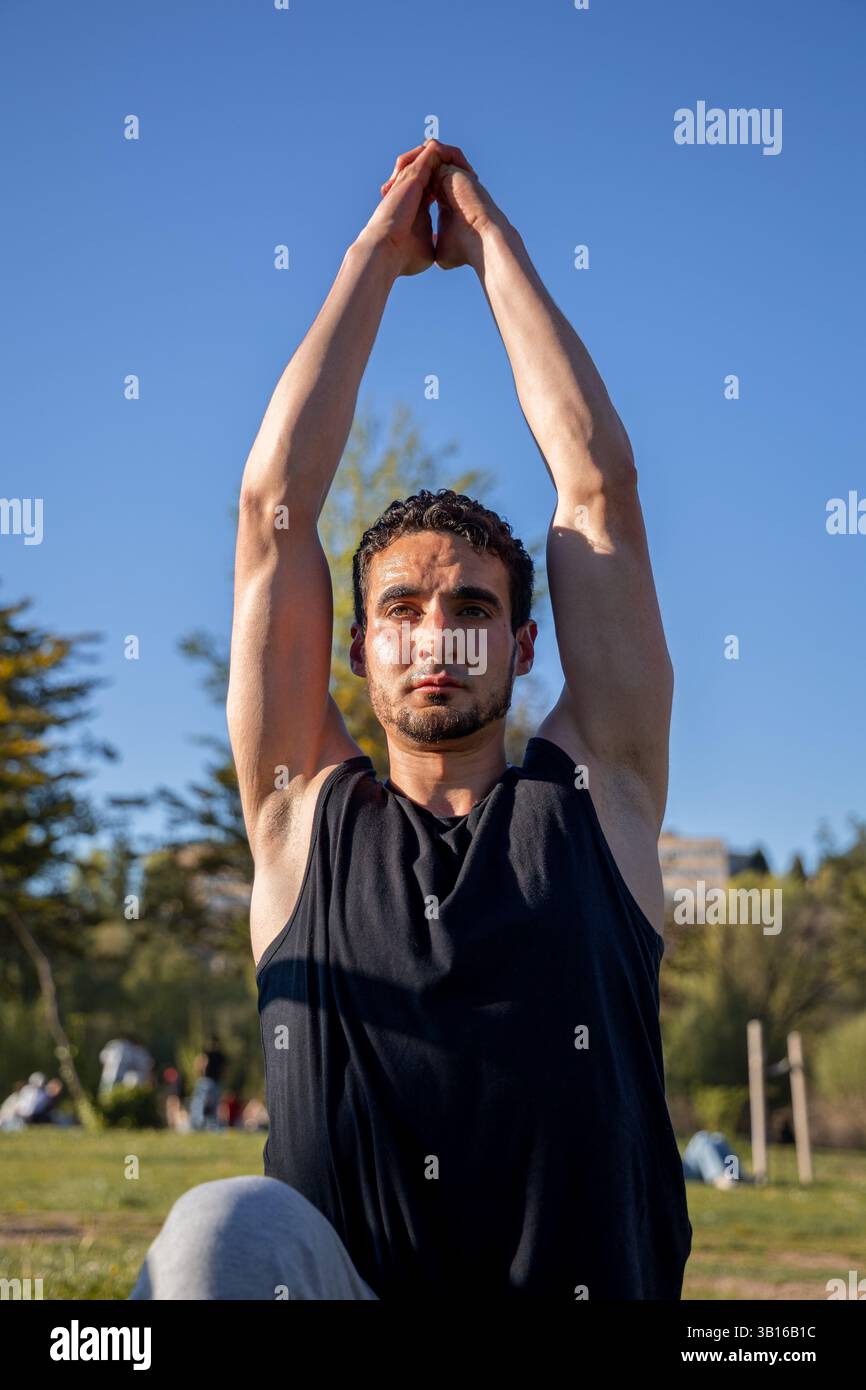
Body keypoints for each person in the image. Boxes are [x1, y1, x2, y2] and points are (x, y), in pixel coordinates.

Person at [130, 138, 692, 1301]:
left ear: (524, 644)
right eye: (401, 608)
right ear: (355, 647)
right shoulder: (300, 820)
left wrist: (492, 247)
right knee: (215, 1232)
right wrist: (372, 258)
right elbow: (271, 510)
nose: (436, 634)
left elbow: (597, 494)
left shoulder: (604, 801)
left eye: (472, 607)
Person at [189, 1037, 226, 1131]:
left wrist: (199, 1075)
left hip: (206, 1081)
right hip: (216, 1082)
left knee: (199, 1103)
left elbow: (199, 1064)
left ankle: (197, 1124)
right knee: (213, 1105)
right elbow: (225, 1069)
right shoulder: (221, 1055)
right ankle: (212, 1125)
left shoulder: (206, 1053)